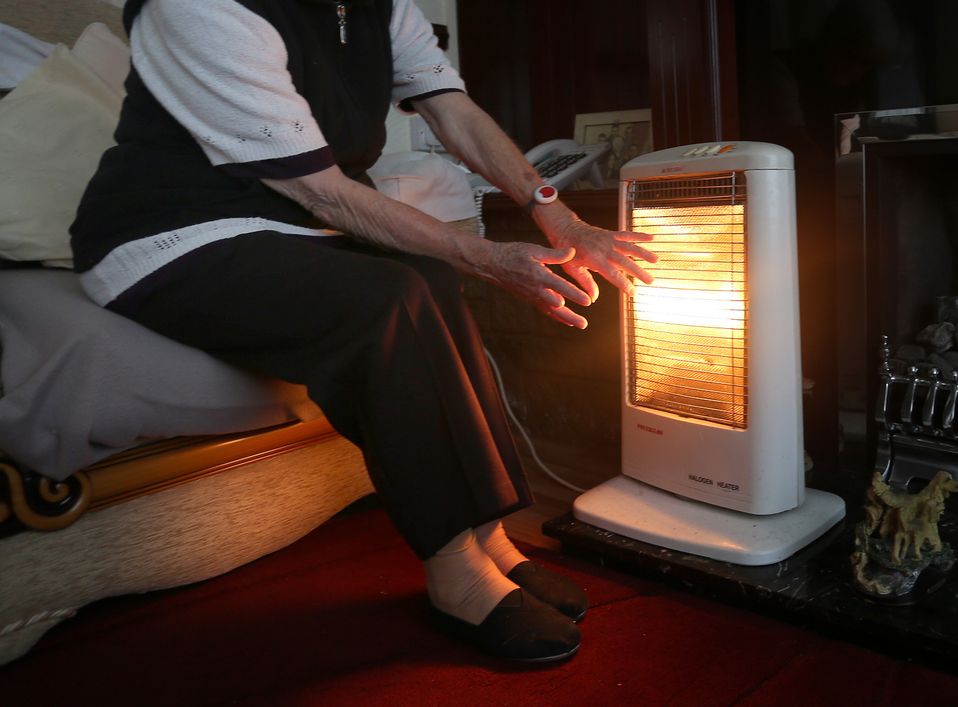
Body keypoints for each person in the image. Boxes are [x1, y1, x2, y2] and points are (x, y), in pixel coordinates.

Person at [70, 0, 657, 664]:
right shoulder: (200, 8)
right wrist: (490, 258)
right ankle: (455, 570)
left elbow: (451, 109)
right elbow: (323, 191)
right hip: (164, 238)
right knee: (390, 297)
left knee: (430, 282)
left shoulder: (380, 5)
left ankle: (491, 536)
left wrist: (556, 215)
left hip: (288, 226)